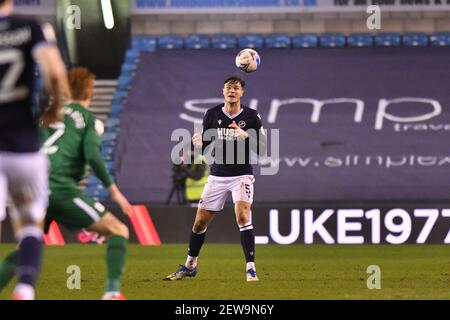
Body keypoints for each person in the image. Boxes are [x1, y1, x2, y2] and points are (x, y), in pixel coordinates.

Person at [0, 67, 132, 300]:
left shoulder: (47, 116)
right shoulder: (89, 120)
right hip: (59, 188)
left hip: (33, 187)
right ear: (90, 93)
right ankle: (112, 293)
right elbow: (92, 155)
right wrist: (115, 191)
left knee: (27, 247)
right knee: (118, 230)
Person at [165, 75, 266, 282]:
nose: (232, 90)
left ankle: (250, 268)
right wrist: (199, 142)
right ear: (223, 91)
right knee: (199, 223)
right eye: (228, 87)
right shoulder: (211, 115)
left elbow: (263, 149)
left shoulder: (252, 116)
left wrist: (245, 136)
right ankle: (190, 265)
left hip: (242, 174)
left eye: (236, 88)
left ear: (242, 92)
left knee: (243, 217)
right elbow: (207, 144)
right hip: (218, 175)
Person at [0, 0, 68, 300]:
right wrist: (55, 106)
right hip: (23, 147)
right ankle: (25, 288)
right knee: (29, 222)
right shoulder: (31, 27)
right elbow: (54, 74)